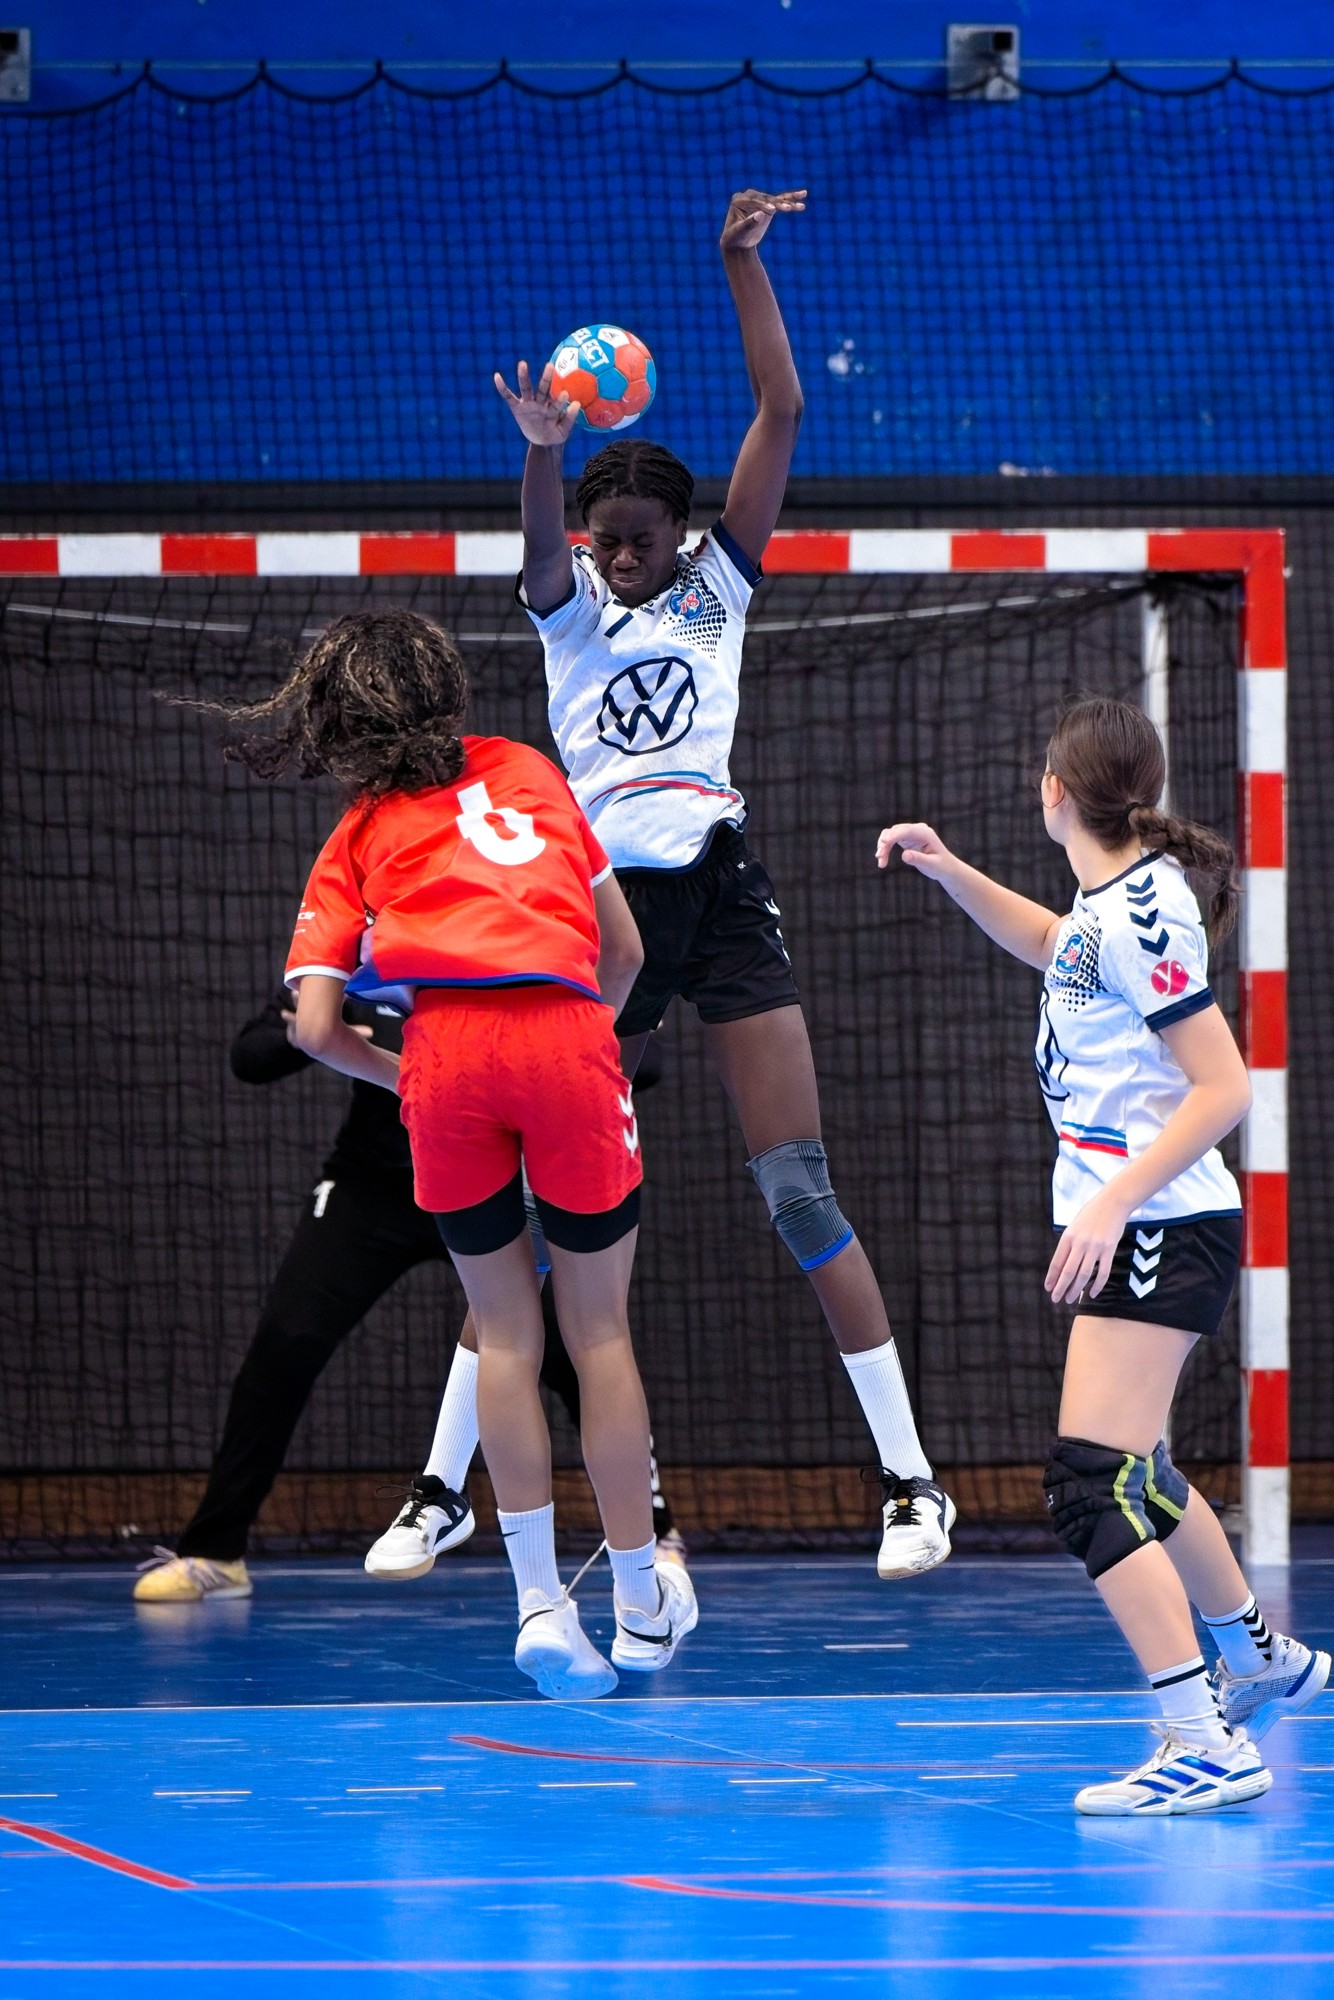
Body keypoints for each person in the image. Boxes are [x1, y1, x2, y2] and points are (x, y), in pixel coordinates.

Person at [383, 185, 952, 1583]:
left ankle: (910, 1482)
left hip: (721, 889)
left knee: (799, 1190)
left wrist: (736, 264)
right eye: (605, 537)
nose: (619, 554)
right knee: (532, 1222)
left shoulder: (717, 588)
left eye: (640, 535)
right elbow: (538, 545)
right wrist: (543, 457)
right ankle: (439, 1486)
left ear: (677, 534)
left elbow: (781, 413)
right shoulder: (568, 609)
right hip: (600, 919)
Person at [179, 606, 697, 1698]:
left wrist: (408, 1072)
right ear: (445, 692)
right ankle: (641, 1594)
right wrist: (586, 1053)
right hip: (566, 1039)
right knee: (598, 1333)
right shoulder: (531, 770)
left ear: (340, 725)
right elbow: (625, 949)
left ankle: (540, 1604)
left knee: (503, 1335)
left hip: (446, 1060)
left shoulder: (357, 832)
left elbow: (311, 1027)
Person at [878, 694, 1328, 1814]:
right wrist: (950, 870)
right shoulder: (1107, 901)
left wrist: (1110, 1205)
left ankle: (1205, 1741)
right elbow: (1053, 947)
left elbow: (1223, 1086)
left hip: (1160, 1226)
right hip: (1155, 1223)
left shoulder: (1139, 914)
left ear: (1053, 790)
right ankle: (1257, 1657)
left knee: (1089, 1483)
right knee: (1139, 1468)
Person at [132, 992, 679, 1604]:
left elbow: (644, 1058)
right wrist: (320, 1031)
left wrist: (562, 1042)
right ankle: (214, 1551)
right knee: (285, 1344)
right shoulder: (357, 968)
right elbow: (252, 1055)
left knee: (575, 1348)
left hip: (489, 1181)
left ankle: (653, 1537)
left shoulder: (510, 967)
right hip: (373, 1187)